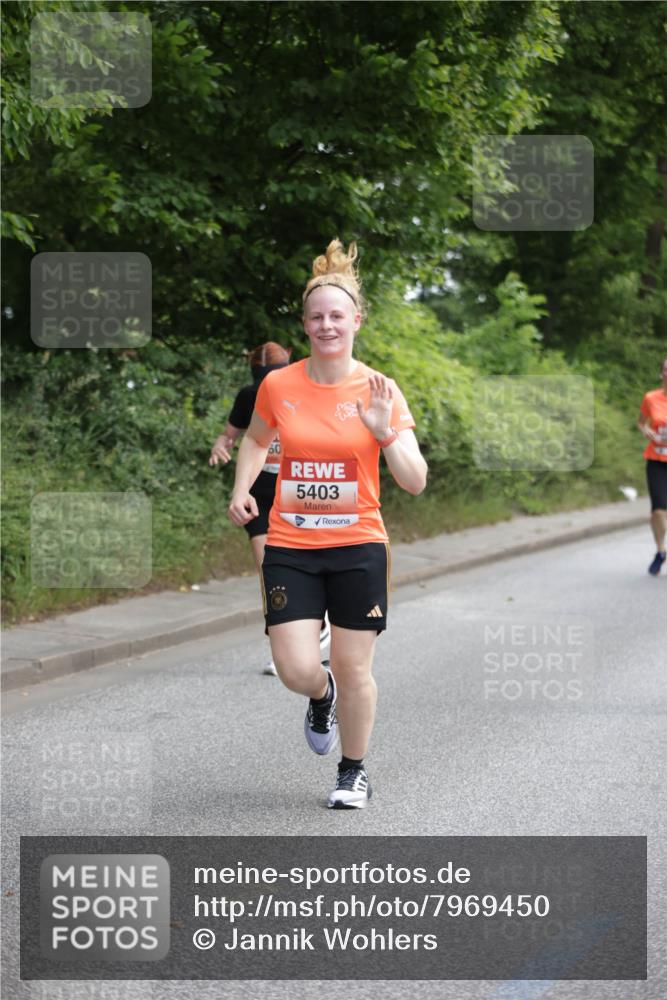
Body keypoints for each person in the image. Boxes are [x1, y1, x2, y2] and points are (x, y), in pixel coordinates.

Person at [228, 239, 427, 808]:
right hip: (290, 542)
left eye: (337, 315)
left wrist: (384, 430)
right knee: (295, 666)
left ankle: (353, 771)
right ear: (306, 324)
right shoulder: (279, 384)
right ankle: (321, 696)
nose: (326, 325)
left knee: (352, 661)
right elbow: (256, 439)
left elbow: (414, 480)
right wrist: (243, 488)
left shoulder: (379, 389)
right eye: (317, 317)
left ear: (356, 321)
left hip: (358, 544)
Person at [210, 343, 332, 674]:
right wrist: (221, 446)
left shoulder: (307, 392)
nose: (267, 385)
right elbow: (230, 436)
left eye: (273, 377)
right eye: (261, 378)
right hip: (259, 496)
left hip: (298, 494)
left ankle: (318, 624)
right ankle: (285, 651)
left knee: (307, 568)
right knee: (271, 573)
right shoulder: (249, 396)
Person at [637, 357, 667, 575]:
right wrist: (645, 430)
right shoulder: (651, 398)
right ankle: (660, 550)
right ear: (661, 374)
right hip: (656, 461)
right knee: (658, 510)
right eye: (666, 370)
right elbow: (641, 421)